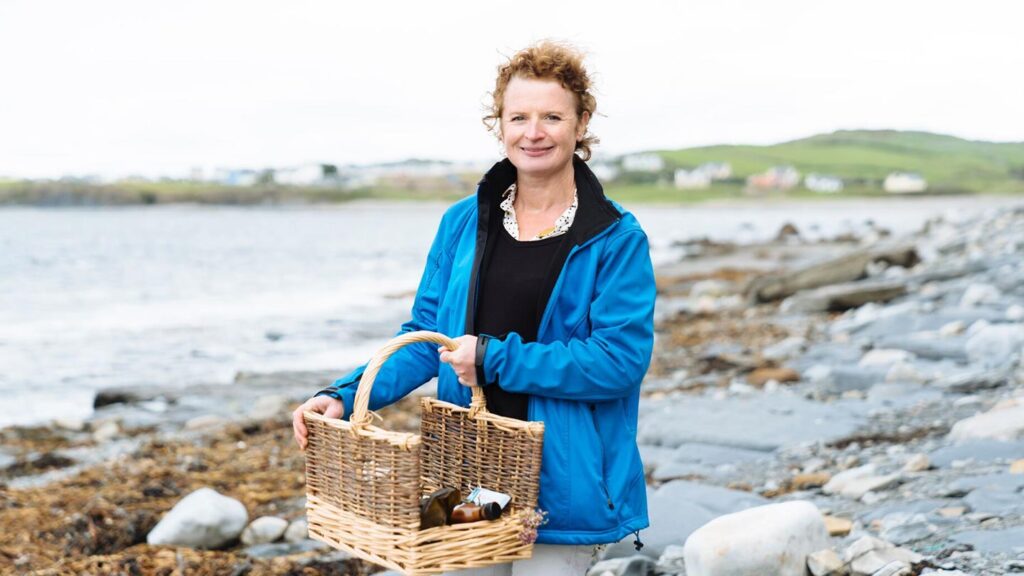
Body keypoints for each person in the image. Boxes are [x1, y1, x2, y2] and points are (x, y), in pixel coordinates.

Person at [292, 40, 656, 575]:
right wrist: (342, 396)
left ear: (580, 125)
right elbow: (426, 337)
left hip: (565, 476)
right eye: (519, 117)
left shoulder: (615, 237)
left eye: (552, 116)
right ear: (500, 125)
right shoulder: (463, 222)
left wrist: (492, 357)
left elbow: (618, 363)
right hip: (469, 468)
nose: (534, 132)